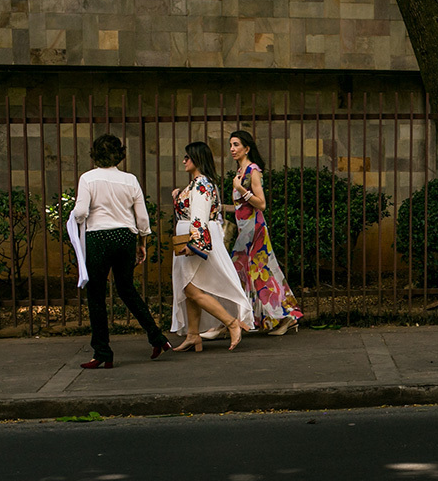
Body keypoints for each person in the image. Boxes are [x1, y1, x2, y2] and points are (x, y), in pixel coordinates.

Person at [70, 134, 171, 369]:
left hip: (98, 237)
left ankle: (102, 352)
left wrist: (76, 219)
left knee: (96, 294)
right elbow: (142, 218)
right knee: (126, 289)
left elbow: (81, 212)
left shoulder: (88, 178)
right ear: (120, 154)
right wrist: (142, 242)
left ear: (95, 154)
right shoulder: (130, 180)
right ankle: (157, 337)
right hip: (125, 237)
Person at [206, 129, 302, 338]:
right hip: (245, 231)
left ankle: (230, 322)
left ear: (247, 148)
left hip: (255, 230)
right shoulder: (240, 172)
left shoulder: (253, 171)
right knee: (250, 274)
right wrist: (218, 207)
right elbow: (240, 207)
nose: (232, 149)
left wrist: (241, 189)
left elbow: (261, 204)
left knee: (250, 273)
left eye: (236, 145)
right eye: (231, 145)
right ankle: (237, 321)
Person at [170, 141, 254, 351]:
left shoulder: (201, 184)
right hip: (193, 236)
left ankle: (231, 323)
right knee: (191, 286)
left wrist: (194, 244)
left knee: (190, 289)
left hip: (195, 238)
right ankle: (193, 335)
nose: (184, 161)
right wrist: (178, 197)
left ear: (197, 159)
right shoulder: (198, 184)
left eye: (187, 157)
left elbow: (200, 216)